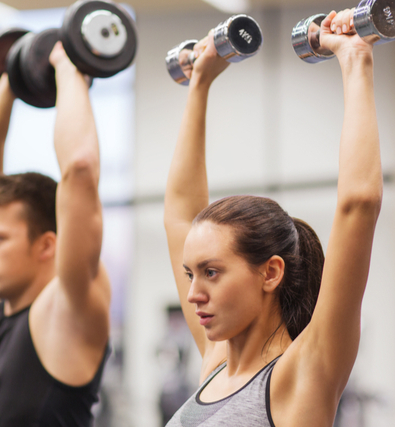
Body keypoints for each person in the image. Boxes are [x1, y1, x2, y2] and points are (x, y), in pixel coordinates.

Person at [163, 9, 383, 426]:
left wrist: (356, 58)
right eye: (191, 274)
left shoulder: (302, 374)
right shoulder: (214, 366)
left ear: (270, 273)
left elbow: (359, 204)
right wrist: (199, 83)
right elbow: (179, 216)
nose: (193, 294)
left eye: (211, 272)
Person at [0, 42, 110, 427]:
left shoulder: (67, 313)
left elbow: (80, 169)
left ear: (47, 245)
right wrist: (12, 77)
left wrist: (69, 68)